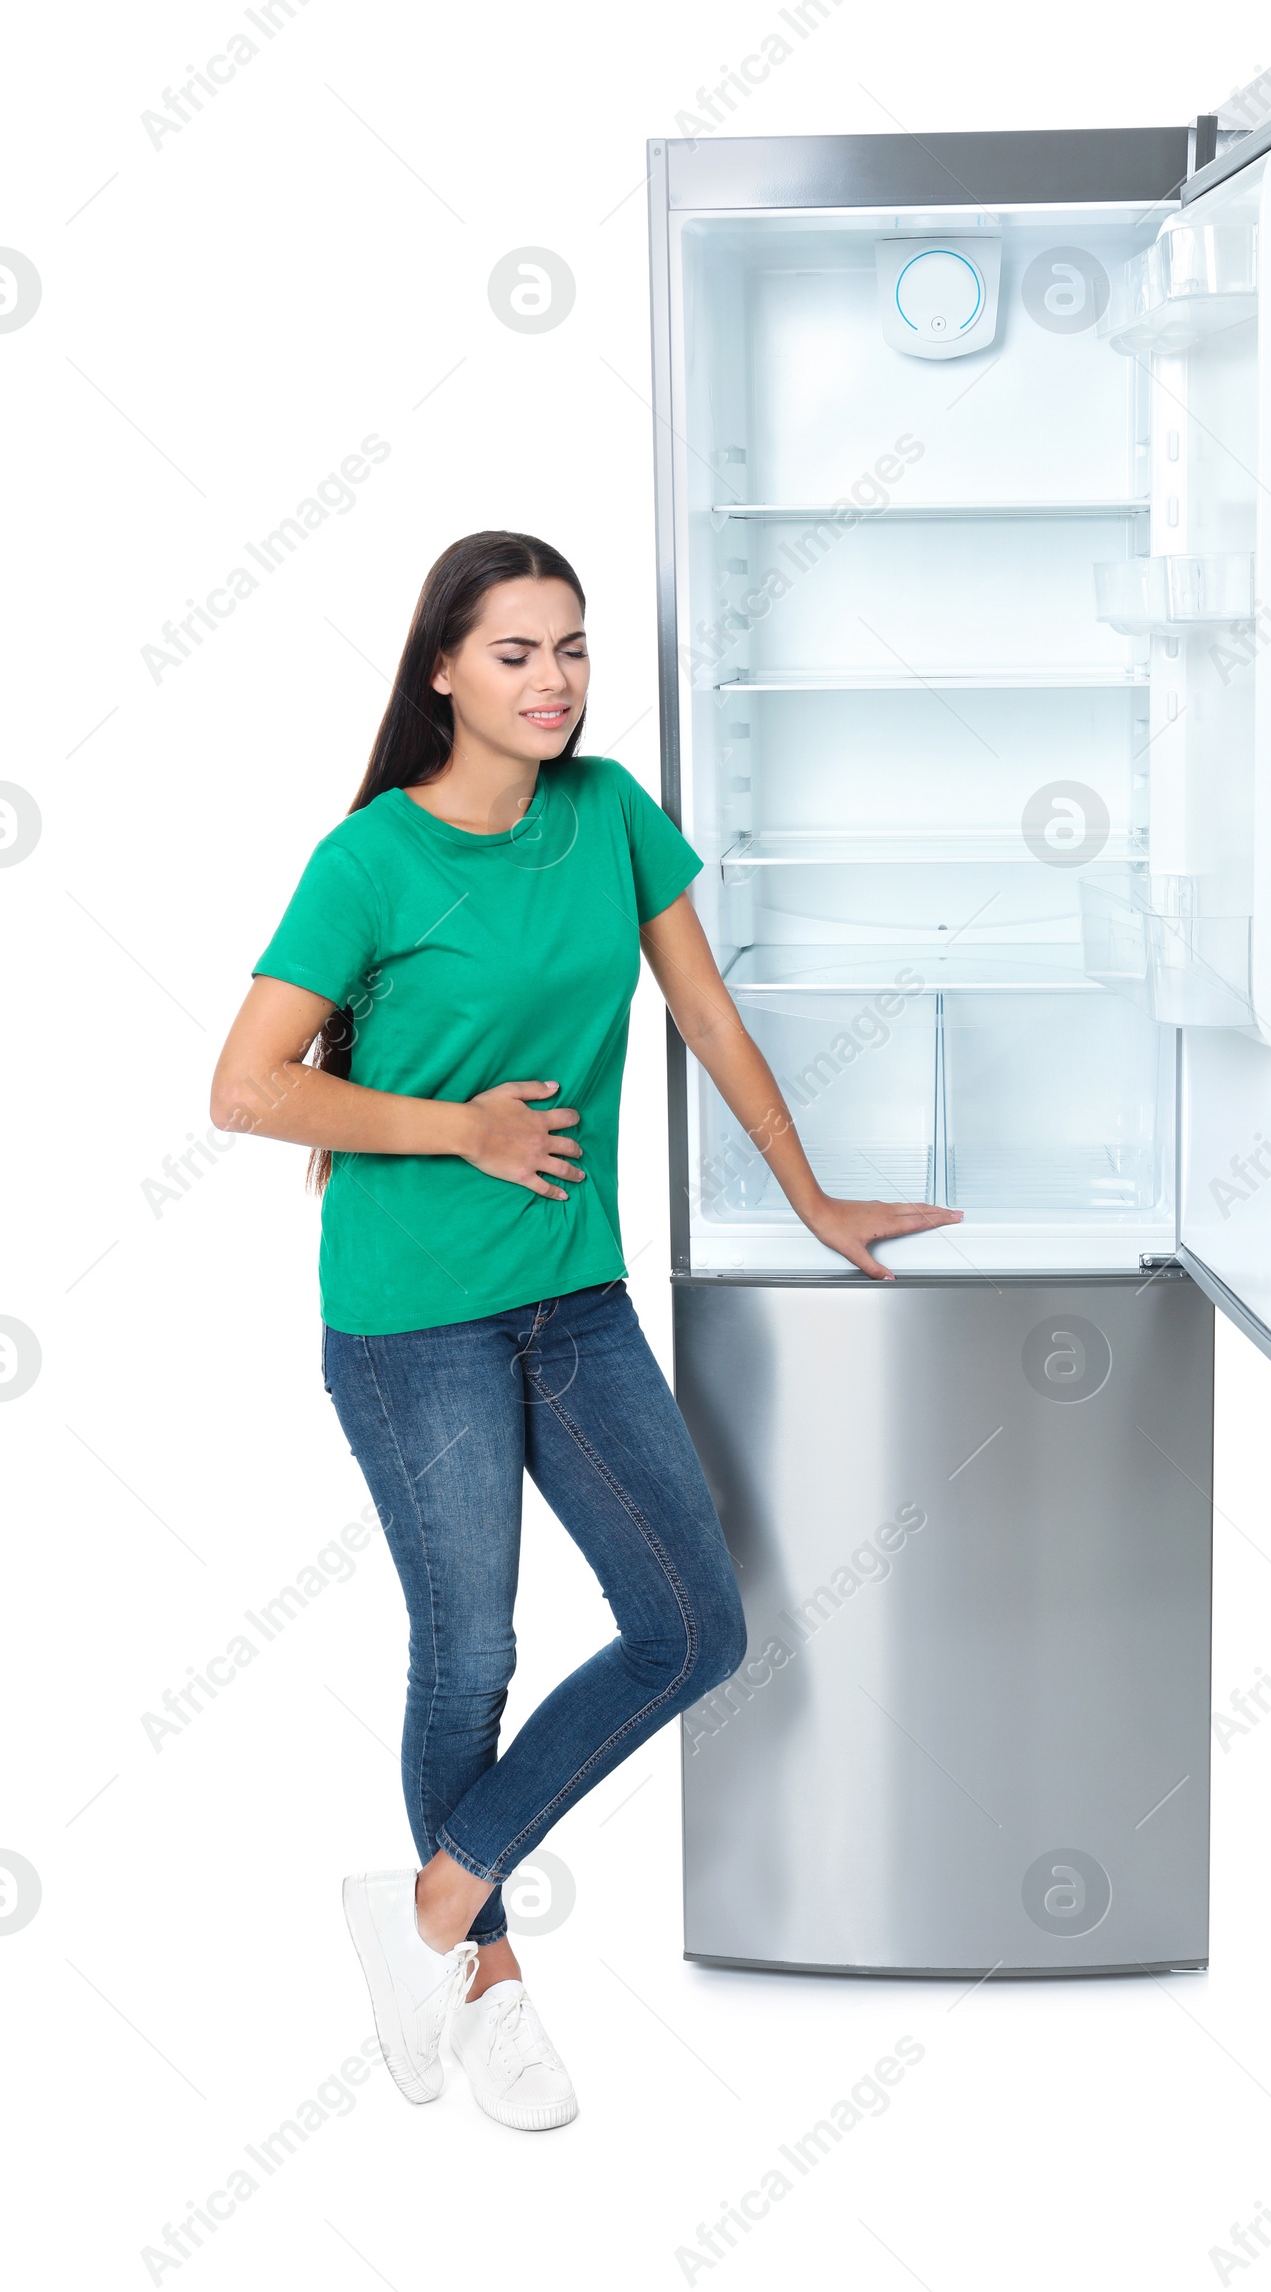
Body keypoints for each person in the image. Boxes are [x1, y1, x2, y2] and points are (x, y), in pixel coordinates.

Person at [210, 530, 959, 2133]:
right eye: (513, 655)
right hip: (415, 1322)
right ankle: (488, 1992)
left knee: (694, 1626)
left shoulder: (609, 809)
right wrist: (455, 1128)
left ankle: (420, 1914)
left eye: (572, 649)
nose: (552, 683)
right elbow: (246, 1086)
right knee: (471, 1650)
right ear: (440, 673)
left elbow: (706, 1014)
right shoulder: (372, 862)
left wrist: (816, 1198)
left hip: (572, 1301)